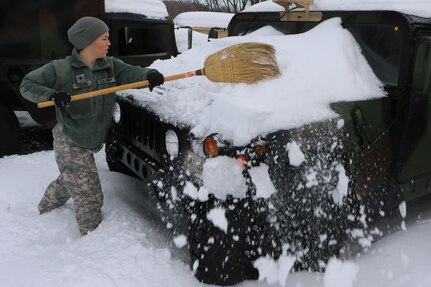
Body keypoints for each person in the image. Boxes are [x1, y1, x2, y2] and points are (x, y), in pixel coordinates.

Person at [19, 16, 165, 235]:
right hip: (70, 139)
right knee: (90, 196)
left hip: (91, 139)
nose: (109, 43)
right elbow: (27, 85)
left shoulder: (111, 66)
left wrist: (149, 75)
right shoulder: (61, 69)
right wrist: (52, 95)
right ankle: (91, 241)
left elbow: (131, 73)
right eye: (104, 38)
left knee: (72, 179)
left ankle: (46, 205)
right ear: (88, 41)